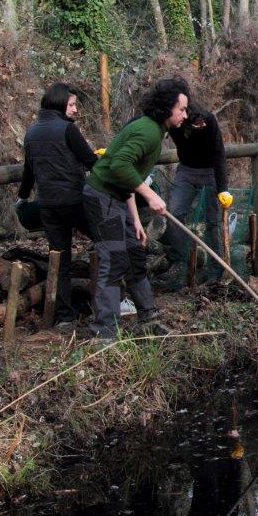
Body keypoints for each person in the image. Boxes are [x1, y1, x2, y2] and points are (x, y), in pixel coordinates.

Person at [82, 77, 188, 339]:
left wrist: (136, 220)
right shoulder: (148, 131)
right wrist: (150, 195)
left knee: (135, 254)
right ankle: (104, 333)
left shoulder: (155, 131)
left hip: (117, 197)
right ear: (166, 109)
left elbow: (129, 175)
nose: (185, 114)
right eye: (182, 109)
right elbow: (119, 166)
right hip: (101, 197)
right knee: (115, 259)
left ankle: (148, 317)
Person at [18, 82, 98, 328]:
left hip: (48, 205)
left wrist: (22, 197)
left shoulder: (31, 133)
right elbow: (90, 161)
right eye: (72, 104)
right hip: (75, 201)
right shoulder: (66, 129)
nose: (75, 110)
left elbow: (29, 171)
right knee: (110, 243)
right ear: (60, 103)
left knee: (60, 261)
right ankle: (115, 303)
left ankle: (65, 316)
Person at [156, 102, 231, 285]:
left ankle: (217, 267)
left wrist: (223, 189)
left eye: (203, 122)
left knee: (213, 222)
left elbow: (219, 154)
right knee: (174, 213)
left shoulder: (210, 120)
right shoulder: (177, 124)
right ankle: (186, 260)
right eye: (198, 124)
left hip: (210, 172)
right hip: (186, 171)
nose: (202, 126)